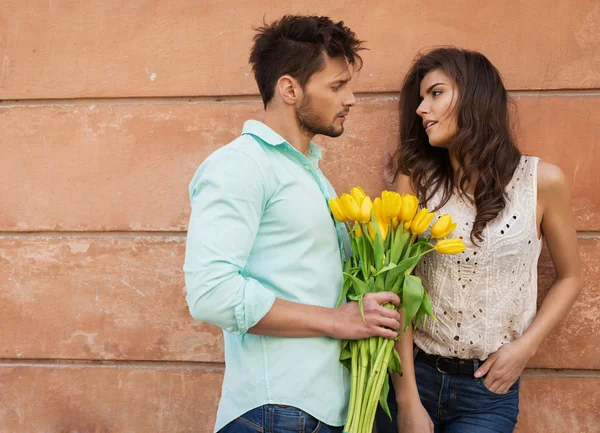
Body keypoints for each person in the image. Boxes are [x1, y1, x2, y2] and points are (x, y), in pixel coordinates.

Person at [183, 15, 402, 433]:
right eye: (337, 86)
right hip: (277, 411)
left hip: (320, 410)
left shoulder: (311, 176)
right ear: (290, 88)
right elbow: (211, 292)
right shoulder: (241, 165)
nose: (351, 98)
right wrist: (335, 319)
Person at [376, 47, 583, 433]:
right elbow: (396, 288)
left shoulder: (542, 182)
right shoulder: (415, 180)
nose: (422, 108)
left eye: (435, 93)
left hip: (488, 389)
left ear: (475, 97)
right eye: (421, 99)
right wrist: (406, 399)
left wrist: (526, 348)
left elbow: (572, 276)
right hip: (413, 377)